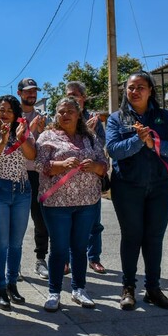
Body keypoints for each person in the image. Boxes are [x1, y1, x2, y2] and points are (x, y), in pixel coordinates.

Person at [106, 71, 168, 311]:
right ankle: (128, 288)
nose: (135, 91)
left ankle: (153, 288)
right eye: (130, 87)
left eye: (140, 87)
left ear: (150, 90)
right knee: (132, 237)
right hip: (127, 187)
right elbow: (114, 150)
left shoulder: (163, 117)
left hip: (160, 187)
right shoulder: (117, 119)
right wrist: (138, 141)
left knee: (153, 239)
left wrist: (154, 143)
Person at [33, 97, 107, 312]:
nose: (65, 115)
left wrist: (94, 166)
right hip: (57, 203)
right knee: (58, 249)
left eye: (70, 112)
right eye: (61, 112)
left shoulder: (90, 137)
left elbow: (104, 165)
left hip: (87, 202)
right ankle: (54, 292)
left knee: (79, 247)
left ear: (78, 114)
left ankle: (79, 289)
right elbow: (39, 164)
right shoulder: (47, 136)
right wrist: (61, 164)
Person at [0, 95, 36, 311]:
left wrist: (21, 139)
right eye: (1, 110)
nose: (4, 114)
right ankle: (0, 287)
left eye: (9, 111)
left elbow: (32, 155)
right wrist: (3, 141)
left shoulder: (22, 131)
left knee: (16, 243)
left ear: (16, 115)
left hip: (22, 191)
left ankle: (13, 284)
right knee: (1, 243)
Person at [65, 81, 107, 274]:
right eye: (68, 95)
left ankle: (94, 258)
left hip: (90, 180)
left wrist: (91, 133)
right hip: (66, 182)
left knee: (94, 223)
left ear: (83, 98)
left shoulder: (94, 119)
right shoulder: (62, 116)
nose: (71, 98)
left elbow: (102, 147)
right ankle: (64, 260)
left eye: (75, 95)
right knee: (65, 224)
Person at [16, 78, 49, 279]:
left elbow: (46, 146)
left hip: (36, 175)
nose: (32, 95)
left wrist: (43, 130)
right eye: (28, 91)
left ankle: (40, 259)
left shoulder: (44, 118)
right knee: (17, 221)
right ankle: (14, 262)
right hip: (15, 173)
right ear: (19, 93)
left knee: (41, 220)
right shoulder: (11, 114)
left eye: (34, 92)